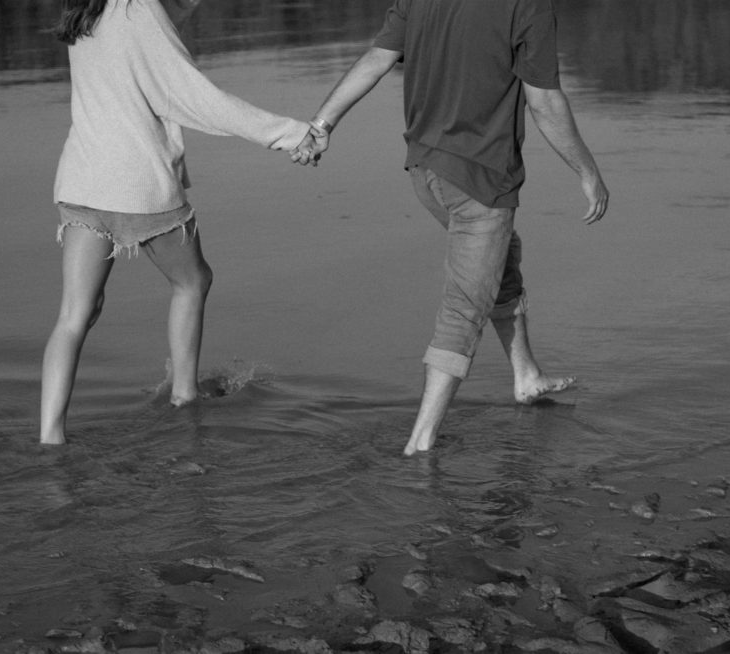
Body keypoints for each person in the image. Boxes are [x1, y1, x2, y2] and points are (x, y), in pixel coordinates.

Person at [293, 0, 610, 455]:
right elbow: (543, 101)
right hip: (480, 179)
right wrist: (588, 171)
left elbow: (377, 59)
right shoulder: (529, 6)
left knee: (499, 257)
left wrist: (322, 124)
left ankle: (526, 375)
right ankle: (421, 443)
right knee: (464, 309)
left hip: (425, 171)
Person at [40, 0, 312, 445]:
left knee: (74, 316)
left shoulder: (86, 10)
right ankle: (184, 397)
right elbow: (197, 98)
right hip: (138, 185)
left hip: (81, 183)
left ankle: (50, 439)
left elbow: (163, 23)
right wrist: (288, 133)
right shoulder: (140, 10)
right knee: (193, 281)